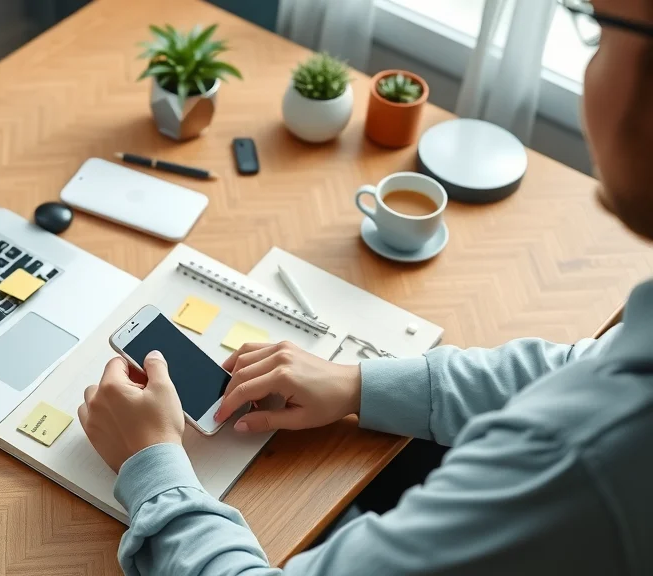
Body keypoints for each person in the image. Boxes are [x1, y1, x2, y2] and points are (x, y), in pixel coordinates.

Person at [76, 0, 653, 573]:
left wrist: (152, 465)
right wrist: (357, 384)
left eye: (598, 32)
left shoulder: (577, 460)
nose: (589, 73)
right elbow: (576, 364)